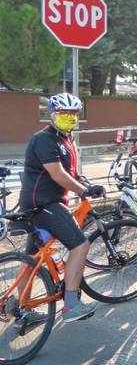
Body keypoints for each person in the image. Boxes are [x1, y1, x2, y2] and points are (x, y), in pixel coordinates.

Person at [19, 93, 105, 322]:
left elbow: (71, 173)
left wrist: (87, 184)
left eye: (73, 113)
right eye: (63, 113)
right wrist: (83, 191)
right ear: (52, 114)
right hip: (44, 203)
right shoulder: (44, 139)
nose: (69, 117)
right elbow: (57, 174)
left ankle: (21, 310)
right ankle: (71, 306)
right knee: (80, 245)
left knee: (32, 259)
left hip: (38, 203)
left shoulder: (66, 140)